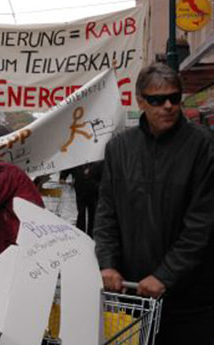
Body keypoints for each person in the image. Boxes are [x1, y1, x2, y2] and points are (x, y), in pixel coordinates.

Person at [93, 63, 214, 345]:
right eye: (158, 100)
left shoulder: (203, 146)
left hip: (190, 301)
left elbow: (202, 224)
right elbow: (106, 213)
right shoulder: (119, 148)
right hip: (133, 295)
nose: (168, 106)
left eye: (175, 97)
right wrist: (108, 264)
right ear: (140, 102)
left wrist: (165, 275)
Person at [59, 161, 103, 237]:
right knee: (81, 212)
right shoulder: (77, 160)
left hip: (94, 190)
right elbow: (69, 165)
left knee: (92, 213)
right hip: (80, 189)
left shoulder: (97, 161)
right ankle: (81, 234)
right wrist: (63, 177)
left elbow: (103, 174)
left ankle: (91, 235)